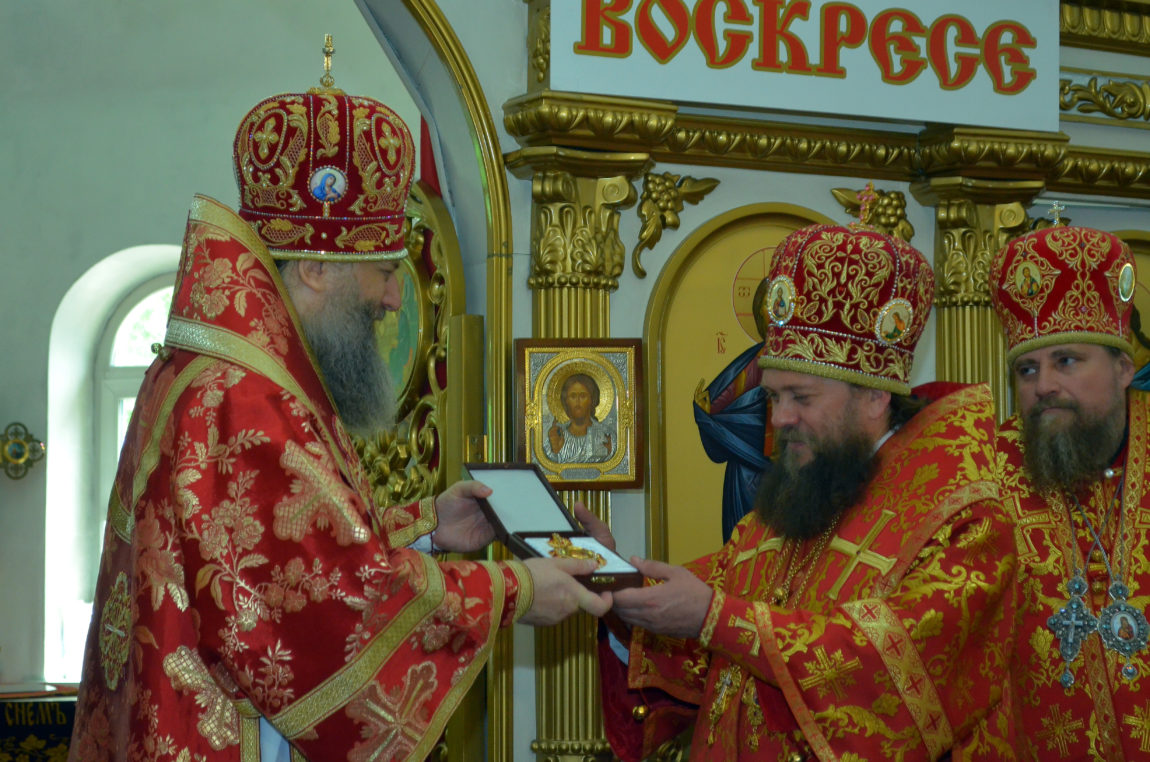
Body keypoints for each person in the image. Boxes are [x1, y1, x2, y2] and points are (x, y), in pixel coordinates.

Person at [68, 63, 609, 761]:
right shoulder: (245, 398)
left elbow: (290, 558)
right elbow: (323, 613)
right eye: (383, 272)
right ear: (316, 268)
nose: (393, 300)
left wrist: (427, 527)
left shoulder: (225, 373)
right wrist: (514, 590)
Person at [590, 220, 1019, 760]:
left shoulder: (961, 518)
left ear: (874, 397)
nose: (780, 419)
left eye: (801, 397)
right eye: (774, 397)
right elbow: (705, 625)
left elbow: (893, 674)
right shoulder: (794, 500)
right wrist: (613, 582)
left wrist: (717, 618)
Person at [990, 223, 1149, 760]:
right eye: (1027, 369)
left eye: (1066, 362)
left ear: (1123, 368)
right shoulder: (982, 473)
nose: (1043, 386)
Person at [693, 276, 773, 542]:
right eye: (767, 304)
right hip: (743, 473)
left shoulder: (803, 365)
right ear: (758, 312)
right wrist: (707, 413)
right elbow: (725, 402)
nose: (773, 312)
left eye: (781, 304)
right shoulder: (752, 360)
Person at [543, 372, 613, 463]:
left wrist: (608, 453)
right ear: (566, 401)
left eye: (583, 396)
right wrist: (555, 450)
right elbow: (547, 466)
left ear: (592, 400)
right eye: (573, 396)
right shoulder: (556, 435)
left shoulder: (606, 434)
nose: (578, 401)